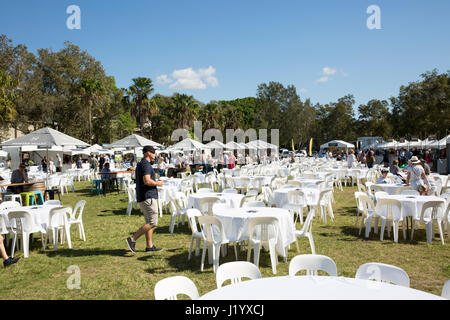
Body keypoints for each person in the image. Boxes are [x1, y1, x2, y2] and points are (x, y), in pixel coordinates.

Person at [126, 146, 164, 253]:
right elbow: (147, 181)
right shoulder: (146, 165)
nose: (155, 154)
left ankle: (149, 246)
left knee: (148, 222)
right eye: (153, 152)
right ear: (147, 153)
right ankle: (132, 239)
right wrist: (158, 183)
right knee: (153, 222)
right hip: (148, 196)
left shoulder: (141, 164)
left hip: (143, 196)